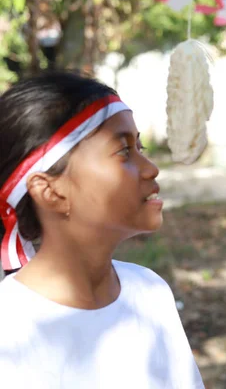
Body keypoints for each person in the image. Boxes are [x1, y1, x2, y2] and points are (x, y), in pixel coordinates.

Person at [0, 71, 205, 388]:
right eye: (123, 152)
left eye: (140, 147)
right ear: (50, 192)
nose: (151, 169)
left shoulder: (150, 293)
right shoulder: (9, 332)